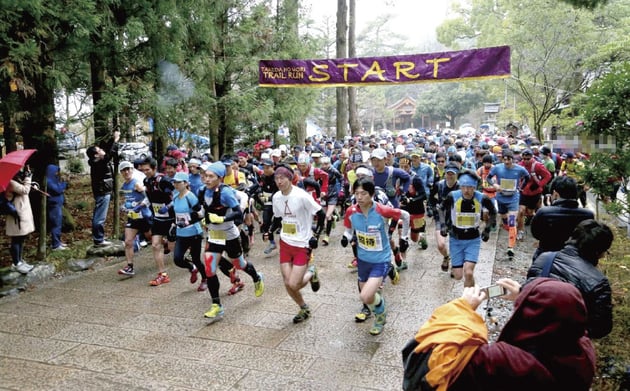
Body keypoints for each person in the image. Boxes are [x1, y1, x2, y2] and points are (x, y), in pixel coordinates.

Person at [410, 278, 596, 390]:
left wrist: (463, 308)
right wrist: (523, 294)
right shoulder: (584, 352)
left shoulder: (505, 360)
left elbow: (435, 359)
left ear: (531, 314)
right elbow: (560, 309)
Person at [341, 177, 410, 335]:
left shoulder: (381, 210)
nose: (359, 197)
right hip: (363, 259)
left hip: (381, 259)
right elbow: (348, 228)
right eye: (357, 193)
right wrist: (346, 236)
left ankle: (381, 316)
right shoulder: (351, 211)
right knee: (366, 296)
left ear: (371, 194)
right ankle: (380, 306)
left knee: (366, 296)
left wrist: (404, 237)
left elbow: (405, 216)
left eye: (364, 193)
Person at [527, 219, 613, 339]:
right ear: (599, 252)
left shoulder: (544, 258)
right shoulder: (598, 282)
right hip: (564, 346)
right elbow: (601, 328)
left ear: (572, 238)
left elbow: (526, 294)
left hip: (529, 335)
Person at [200, 162, 265, 321]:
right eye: (205, 176)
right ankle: (217, 306)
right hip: (214, 235)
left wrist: (222, 218)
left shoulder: (226, 193)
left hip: (229, 234)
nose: (206, 179)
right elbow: (199, 210)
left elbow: (237, 213)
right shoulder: (202, 191)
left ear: (220, 178)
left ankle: (257, 277)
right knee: (209, 269)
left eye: (211, 176)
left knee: (239, 265)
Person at [265, 164, 325, 324]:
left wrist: (316, 236)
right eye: (276, 178)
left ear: (290, 179)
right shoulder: (276, 197)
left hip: (302, 243)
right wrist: (270, 230)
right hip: (285, 242)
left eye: (282, 178)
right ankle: (303, 307)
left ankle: (311, 272)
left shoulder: (302, 196)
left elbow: (321, 213)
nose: (279, 181)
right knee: (287, 282)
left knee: (294, 283)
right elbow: (278, 217)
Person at [439, 170, 497, 287]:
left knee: (469, 273)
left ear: (474, 187)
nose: (466, 191)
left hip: (473, 239)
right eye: (463, 187)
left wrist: (487, 229)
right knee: (458, 275)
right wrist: (443, 225)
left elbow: (493, 212)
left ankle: (469, 299)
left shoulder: (482, 198)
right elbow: (441, 208)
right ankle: (452, 261)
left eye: (470, 188)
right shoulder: (453, 196)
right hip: (456, 239)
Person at [530, 176, 594, 260]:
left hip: (546, 258)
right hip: (575, 260)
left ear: (555, 193)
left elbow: (536, 233)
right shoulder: (588, 215)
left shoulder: (543, 213)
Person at [137, 157, 174, 286]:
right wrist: (142, 205)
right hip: (158, 217)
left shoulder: (164, 180)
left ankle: (191, 255)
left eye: (147, 170)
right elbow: (149, 197)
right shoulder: (146, 181)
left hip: (171, 218)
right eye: (143, 170)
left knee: (172, 247)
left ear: (154, 168)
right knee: (155, 245)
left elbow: (178, 196)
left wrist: (168, 207)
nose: (145, 172)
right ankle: (162, 274)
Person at [487, 150, 530, 258]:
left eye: (509, 159)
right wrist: (495, 185)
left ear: (512, 159)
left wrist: (521, 188)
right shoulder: (497, 168)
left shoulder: (519, 169)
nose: (506, 162)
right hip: (501, 197)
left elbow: (527, 177)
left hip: (513, 198)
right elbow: (488, 178)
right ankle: (510, 228)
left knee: (512, 221)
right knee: (504, 217)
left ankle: (510, 247)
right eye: (504, 159)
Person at [170, 172, 206, 289]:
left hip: (194, 232)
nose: (175, 184)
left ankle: (205, 278)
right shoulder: (175, 196)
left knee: (196, 258)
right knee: (177, 259)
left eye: (178, 182)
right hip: (181, 233)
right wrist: (174, 224)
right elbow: (175, 213)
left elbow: (200, 213)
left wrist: (189, 220)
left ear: (185, 183)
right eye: (174, 182)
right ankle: (191, 268)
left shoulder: (191, 197)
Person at [117, 161, 153, 277]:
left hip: (144, 216)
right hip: (132, 218)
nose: (126, 172)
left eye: (128, 169)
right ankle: (129, 267)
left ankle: (170, 245)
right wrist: (123, 207)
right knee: (128, 242)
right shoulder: (123, 187)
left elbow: (148, 198)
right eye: (124, 170)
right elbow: (126, 200)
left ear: (132, 170)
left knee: (153, 240)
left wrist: (140, 205)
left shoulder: (137, 184)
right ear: (121, 172)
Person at [86, 130, 120, 246]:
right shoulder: (98, 163)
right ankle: (99, 239)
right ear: (96, 154)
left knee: (99, 216)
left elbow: (107, 152)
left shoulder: (97, 160)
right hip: (102, 192)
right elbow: (108, 156)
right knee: (100, 217)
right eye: (99, 150)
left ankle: (98, 238)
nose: (102, 150)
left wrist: (112, 138)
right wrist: (115, 140)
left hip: (104, 191)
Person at [6, 168, 36, 274]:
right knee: (16, 239)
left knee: (21, 238)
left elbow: (24, 188)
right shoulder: (10, 182)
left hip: (21, 212)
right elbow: (24, 190)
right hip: (16, 215)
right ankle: (16, 263)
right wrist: (28, 178)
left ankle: (20, 260)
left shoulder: (15, 181)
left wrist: (30, 183)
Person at [45, 164, 68, 251]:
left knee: (59, 224)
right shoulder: (49, 181)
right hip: (53, 205)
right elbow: (58, 189)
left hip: (58, 204)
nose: (57, 173)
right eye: (56, 171)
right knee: (56, 224)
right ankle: (55, 245)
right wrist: (64, 184)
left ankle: (58, 241)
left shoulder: (55, 179)